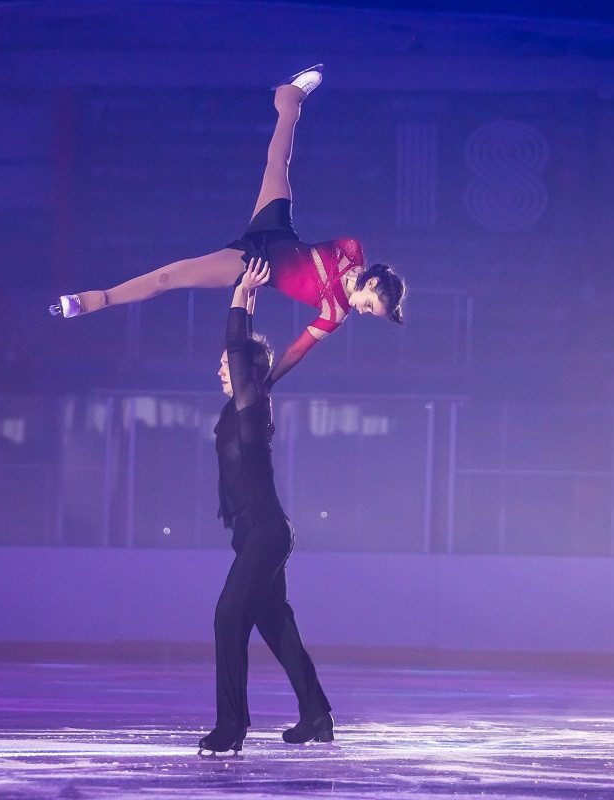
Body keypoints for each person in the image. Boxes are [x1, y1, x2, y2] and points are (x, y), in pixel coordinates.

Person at [51, 64, 407, 386]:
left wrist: (267, 384)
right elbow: (331, 253)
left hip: (253, 263)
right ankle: (289, 97)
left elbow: (296, 350)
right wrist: (337, 275)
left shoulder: (335, 313)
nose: (362, 312)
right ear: (371, 282)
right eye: (370, 305)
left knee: (169, 278)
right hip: (278, 230)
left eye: (369, 312)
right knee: (278, 163)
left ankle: (93, 300)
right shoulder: (352, 251)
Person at [198, 256, 333, 755]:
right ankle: (316, 714)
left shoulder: (252, 403)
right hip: (257, 531)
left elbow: (239, 347)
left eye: (227, 364)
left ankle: (231, 725)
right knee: (275, 623)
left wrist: (239, 296)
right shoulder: (244, 407)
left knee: (227, 617)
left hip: (265, 530)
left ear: (248, 372)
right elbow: (243, 349)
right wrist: (250, 297)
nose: (221, 369)